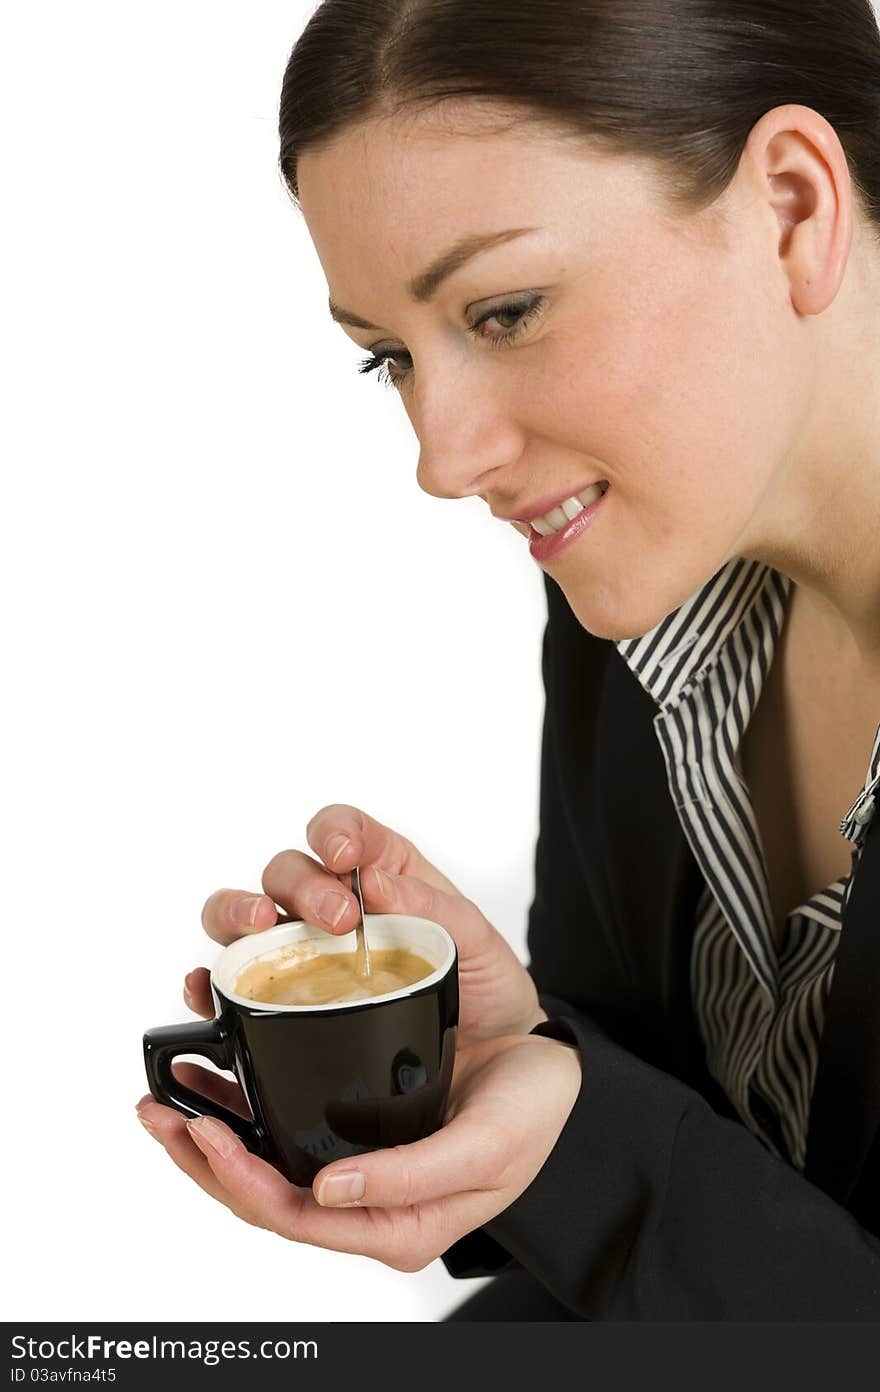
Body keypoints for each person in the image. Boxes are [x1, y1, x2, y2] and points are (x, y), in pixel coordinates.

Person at [134, 0, 880, 1319]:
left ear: (791, 204)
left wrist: (598, 1157)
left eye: (507, 309)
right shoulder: (640, 591)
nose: (442, 459)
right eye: (389, 362)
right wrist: (513, 1075)